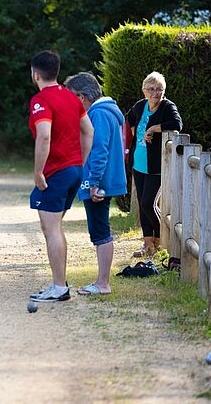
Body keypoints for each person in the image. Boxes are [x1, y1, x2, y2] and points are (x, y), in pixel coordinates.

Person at [28, 51, 93, 303]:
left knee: (52, 229)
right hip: (73, 170)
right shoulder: (70, 97)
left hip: (55, 172)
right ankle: (58, 283)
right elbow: (89, 131)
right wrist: (81, 162)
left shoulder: (40, 100)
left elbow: (44, 136)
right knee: (52, 227)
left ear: (35, 74)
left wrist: (38, 171)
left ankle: (59, 287)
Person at [65, 72, 127, 295]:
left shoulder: (98, 115)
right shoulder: (104, 112)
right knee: (99, 230)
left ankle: (103, 283)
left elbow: (99, 151)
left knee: (100, 232)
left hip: (99, 183)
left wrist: (93, 182)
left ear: (81, 97)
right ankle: (101, 282)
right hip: (100, 181)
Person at [126, 71, 182, 258]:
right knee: (142, 204)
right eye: (152, 89)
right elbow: (130, 117)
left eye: (160, 89)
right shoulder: (140, 106)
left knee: (149, 203)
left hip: (156, 165)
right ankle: (148, 244)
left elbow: (176, 123)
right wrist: (136, 133)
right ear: (144, 90)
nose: (156, 93)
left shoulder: (167, 106)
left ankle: (162, 242)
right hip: (139, 162)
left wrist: (152, 128)